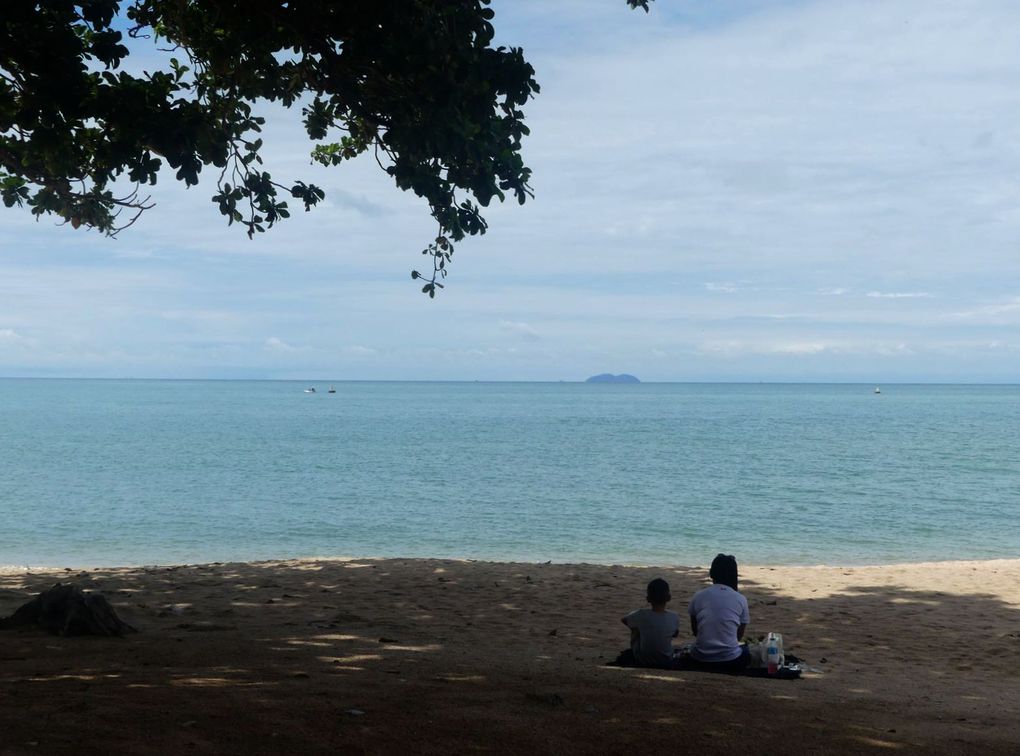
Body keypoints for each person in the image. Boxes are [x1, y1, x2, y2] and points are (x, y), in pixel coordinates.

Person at [687, 554, 750, 671]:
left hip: (700, 657)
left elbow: (696, 631)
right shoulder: (740, 599)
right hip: (730, 659)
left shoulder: (699, 596)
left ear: (712, 574)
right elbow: (738, 636)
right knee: (747, 651)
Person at [621, 578, 680, 668]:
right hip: (666, 659)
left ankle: (638, 649)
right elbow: (675, 634)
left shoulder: (640, 614)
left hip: (642, 659)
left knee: (635, 627)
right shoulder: (674, 616)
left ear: (648, 599)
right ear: (669, 598)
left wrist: (638, 628)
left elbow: (624, 620)